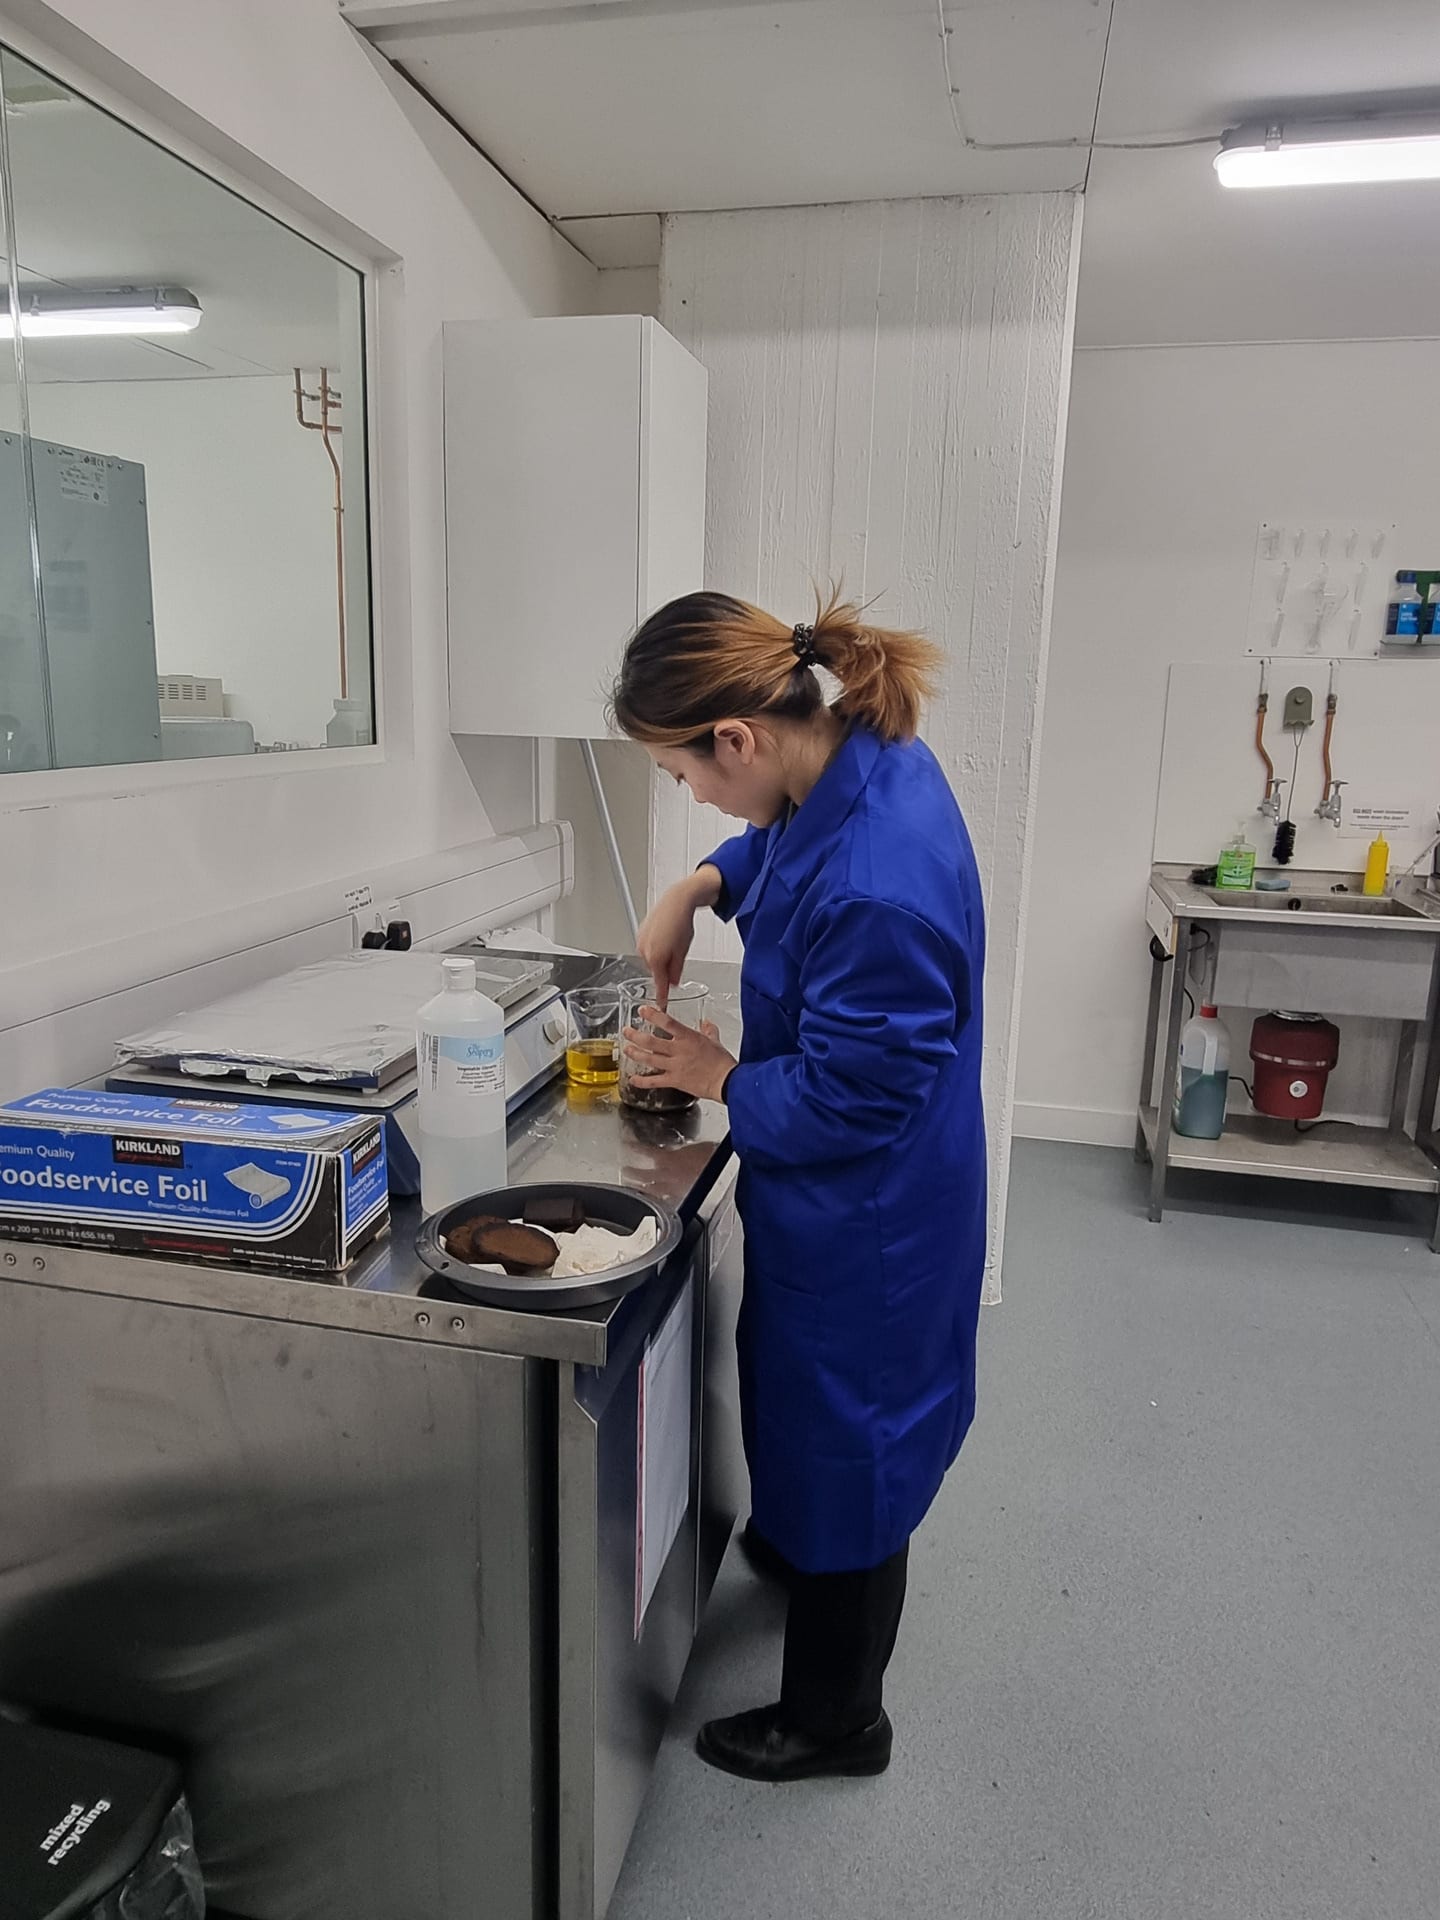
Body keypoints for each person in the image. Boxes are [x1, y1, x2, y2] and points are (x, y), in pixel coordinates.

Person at [611, 590, 987, 1784]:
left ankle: (838, 1720)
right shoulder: (857, 755)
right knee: (815, 1422)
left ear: (739, 738)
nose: (696, 801)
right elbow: (777, 832)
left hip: (873, 1208)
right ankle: (803, 1544)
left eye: (686, 777)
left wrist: (718, 1073)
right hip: (844, 1199)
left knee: (855, 1444)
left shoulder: (881, 881)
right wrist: (698, 885)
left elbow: (858, 1097)